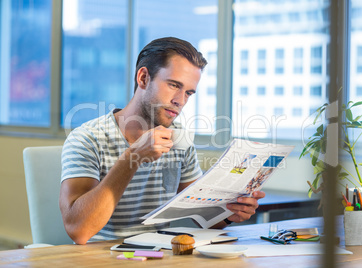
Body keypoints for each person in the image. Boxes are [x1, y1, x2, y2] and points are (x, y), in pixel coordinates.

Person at [59, 37, 265, 245]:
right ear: (143, 78)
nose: (180, 101)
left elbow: (203, 214)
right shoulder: (88, 138)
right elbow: (79, 230)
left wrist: (230, 213)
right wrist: (133, 156)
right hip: (100, 257)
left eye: (189, 93)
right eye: (174, 85)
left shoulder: (179, 138)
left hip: (160, 254)